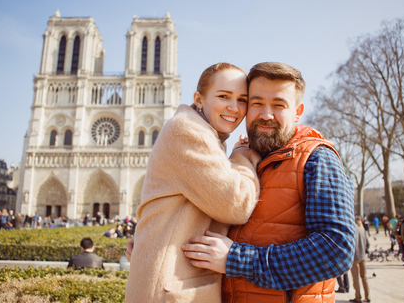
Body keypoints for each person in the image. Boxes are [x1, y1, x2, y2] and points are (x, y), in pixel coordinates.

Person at [182, 62, 356, 302]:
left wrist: (237, 260)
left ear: (297, 111)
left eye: (278, 105)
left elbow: (336, 249)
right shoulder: (244, 157)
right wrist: (156, 237)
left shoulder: (317, 159)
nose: (266, 114)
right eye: (256, 103)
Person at [125, 63, 261, 303]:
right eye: (223, 96)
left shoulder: (204, 132)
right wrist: (243, 155)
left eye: (242, 100)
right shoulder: (188, 131)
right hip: (168, 288)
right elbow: (237, 204)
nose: (234, 107)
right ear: (199, 98)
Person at [348, 216, 371, 303]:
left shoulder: (350, 230)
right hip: (362, 256)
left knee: (356, 277)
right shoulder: (362, 229)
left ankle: (358, 297)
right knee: (364, 277)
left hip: (354, 257)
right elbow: (368, 243)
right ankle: (367, 296)